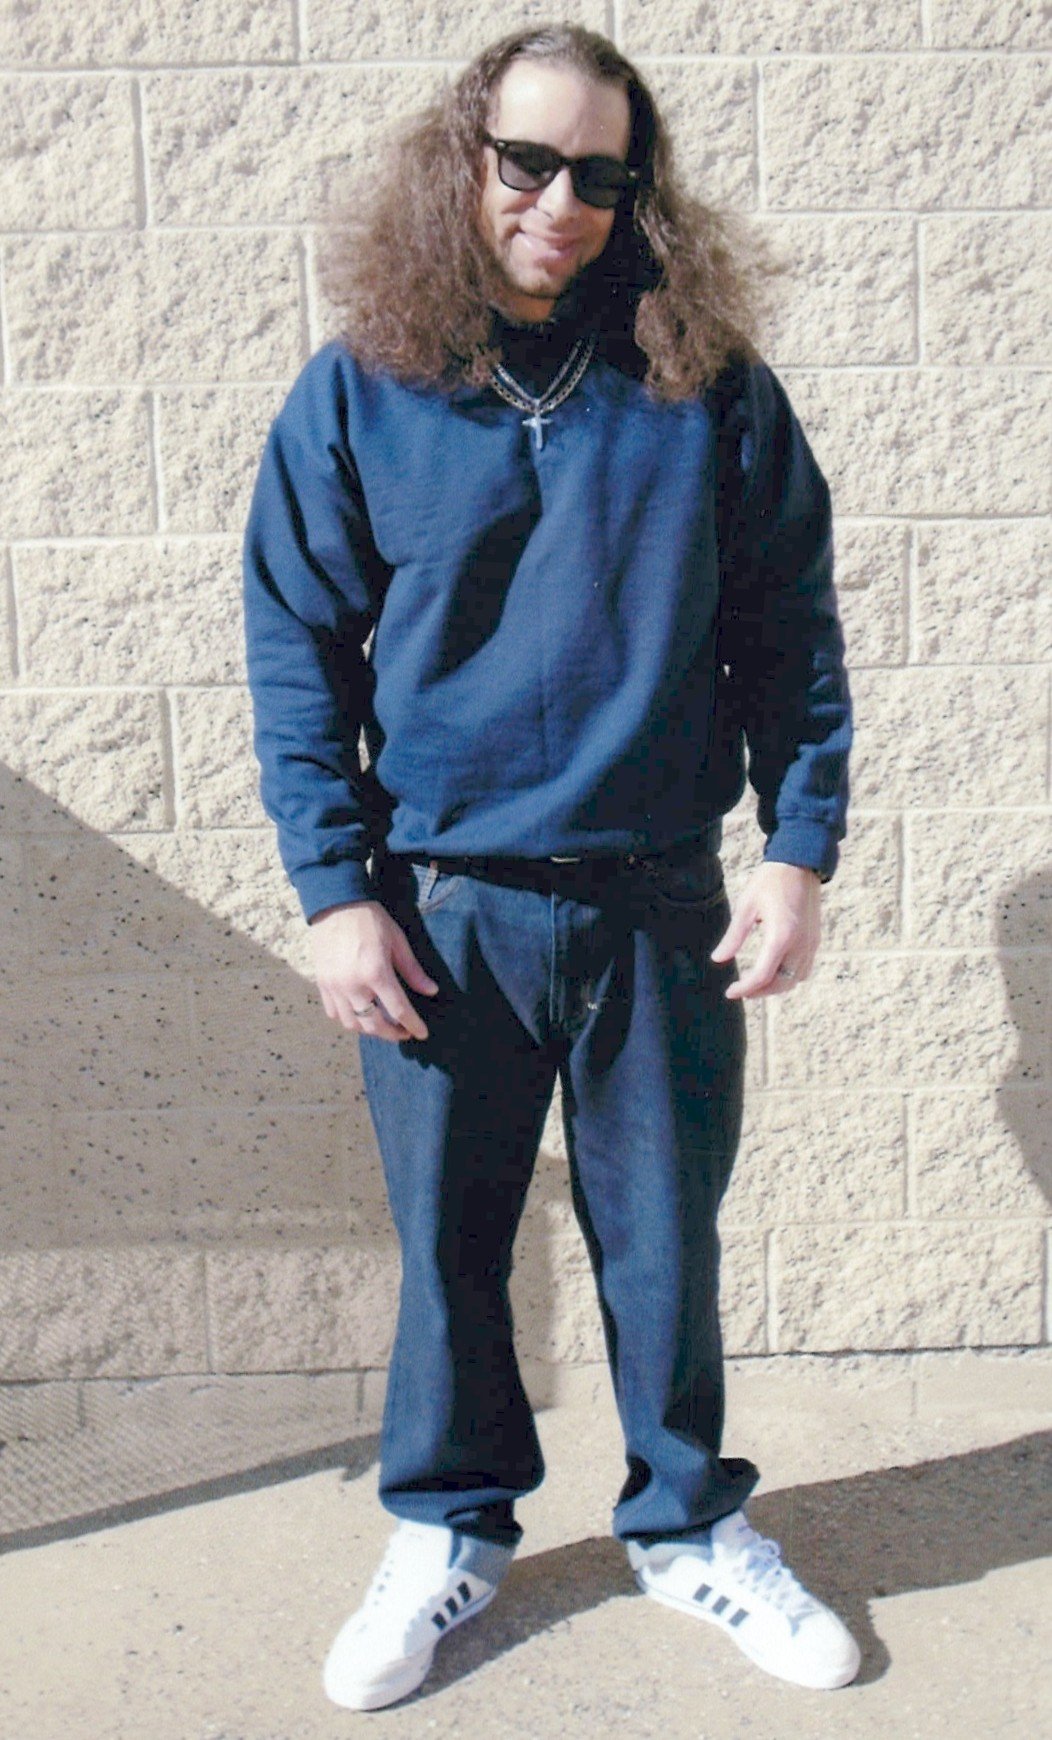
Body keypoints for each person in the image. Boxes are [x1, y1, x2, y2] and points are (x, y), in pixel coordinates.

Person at [242, 22, 858, 1712]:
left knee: (665, 1245)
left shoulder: (704, 385)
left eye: (601, 173)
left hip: (658, 895)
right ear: (468, 160)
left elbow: (789, 633)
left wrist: (797, 849)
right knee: (453, 1250)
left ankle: (689, 1527)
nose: (560, 202)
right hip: (445, 909)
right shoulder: (362, 390)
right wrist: (333, 891)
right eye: (528, 162)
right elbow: (298, 649)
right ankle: (449, 1529)